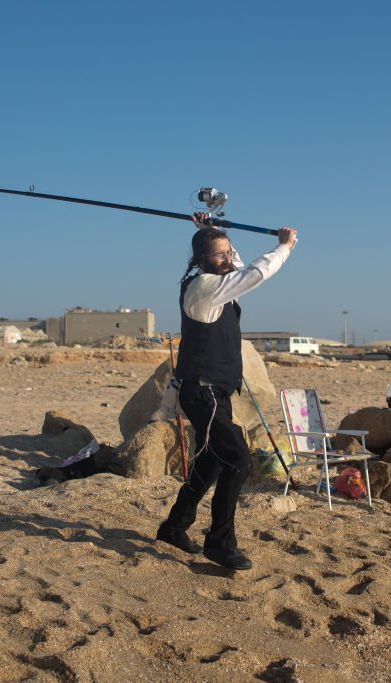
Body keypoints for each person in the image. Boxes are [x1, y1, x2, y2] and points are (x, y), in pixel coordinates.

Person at [157, 213, 297, 570]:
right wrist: (284, 246)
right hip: (200, 392)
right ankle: (219, 542)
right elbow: (253, 273)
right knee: (238, 459)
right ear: (202, 260)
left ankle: (175, 526)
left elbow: (235, 264)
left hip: (215, 391)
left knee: (212, 459)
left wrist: (210, 231)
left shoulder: (216, 277)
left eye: (227, 252)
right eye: (219, 254)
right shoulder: (205, 286)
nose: (227, 258)